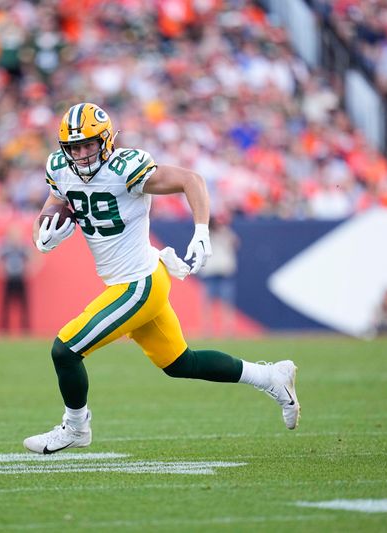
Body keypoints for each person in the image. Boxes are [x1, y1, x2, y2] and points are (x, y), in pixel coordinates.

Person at [23, 103, 300, 454]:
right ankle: (272, 377)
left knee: (65, 350)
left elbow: (191, 180)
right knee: (181, 363)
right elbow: (52, 205)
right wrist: (42, 233)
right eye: (74, 147)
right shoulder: (61, 168)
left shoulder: (126, 169)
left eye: (89, 145)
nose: (81, 154)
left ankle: (76, 428)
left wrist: (201, 230)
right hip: (128, 281)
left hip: (139, 283)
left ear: (106, 141)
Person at [0, 224, 38, 335]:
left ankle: (25, 328)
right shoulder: (4, 246)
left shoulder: (23, 246)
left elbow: (36, 256)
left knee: (24, 305)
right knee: (5, 305)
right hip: (9, 278)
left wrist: (30, 269)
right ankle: (4, 328)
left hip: (20, 278)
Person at [199, 213, 240, 337]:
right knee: (207, 303)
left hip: (224, 272)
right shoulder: (205, 236)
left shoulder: (225, 233)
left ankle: (229, 329)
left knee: (226, 303)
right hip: (210, 272)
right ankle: (208, 329)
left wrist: (222, 231)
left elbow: (235, 243)